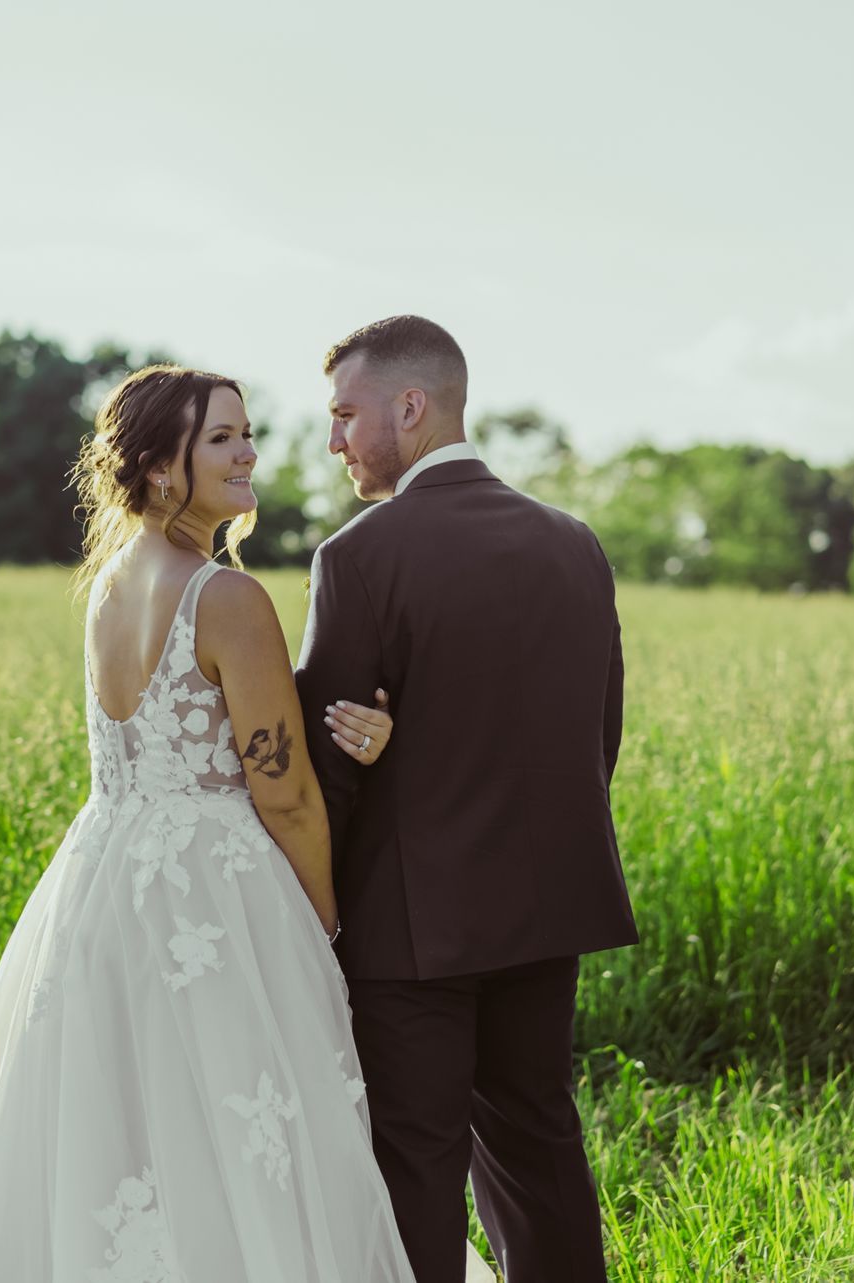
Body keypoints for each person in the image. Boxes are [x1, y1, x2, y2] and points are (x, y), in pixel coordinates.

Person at [0, 364, 490, 1281]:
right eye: (221, 437)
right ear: (162, 468)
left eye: (246, 432)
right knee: (230, 1123)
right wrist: (325, 924)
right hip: (216, 891)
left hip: (103, 875)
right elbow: (282, 791)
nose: (249, 450)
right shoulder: (226, 598)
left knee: (115, 1126)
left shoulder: (107, 586)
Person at [295, 316, 640, 1283]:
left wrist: (319, 912)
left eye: (346, 414)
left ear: (411, 407)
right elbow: (597, 735)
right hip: (547, 910)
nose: (336, 441)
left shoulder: (357, 557)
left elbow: (329, 770)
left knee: (415, 1159)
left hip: (409, 927)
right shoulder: (575, 543)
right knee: (539, 1144)